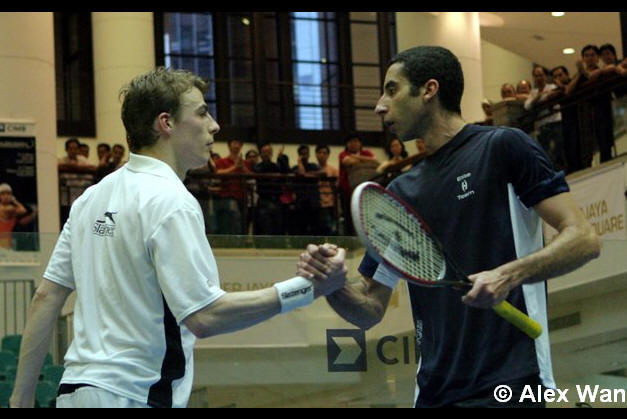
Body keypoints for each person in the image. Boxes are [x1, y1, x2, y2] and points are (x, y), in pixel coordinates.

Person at [9, 67, 347, 409]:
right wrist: (307, 289)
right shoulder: (171, 201)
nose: (214, 125)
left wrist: (20, 398)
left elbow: (46, 297)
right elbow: (206, 316)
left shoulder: (90, 199)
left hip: (73, 393)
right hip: (135, 395)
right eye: (202, 112)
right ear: (166, 123)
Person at [298, 46, 600, 408]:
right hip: (433, 395)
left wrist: (508, 275)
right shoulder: (400, 194)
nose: (379, 106)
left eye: (392, 90)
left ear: (429, 90)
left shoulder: (504, 148)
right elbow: (369, 308)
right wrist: (332, 284)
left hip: (512, 382)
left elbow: (584, 238)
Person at [566, 45, 616, 163]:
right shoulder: (578, 76)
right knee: (586, 142)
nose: (590, 58)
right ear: (583, 58)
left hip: (602, 109)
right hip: (585, 112)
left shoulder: (603, 70)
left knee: (604, 139)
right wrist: (580, 73)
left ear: (598, 58)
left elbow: (593, 76)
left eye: (592, 55)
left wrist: (583, 72)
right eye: (586, 55)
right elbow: (568, 90)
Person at [524, 66, 566, 172]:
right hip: (542, 125)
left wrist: (539, 100)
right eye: (536, 76)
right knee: (545, 152)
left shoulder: (552, 87)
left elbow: (553, 95)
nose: (539, 78)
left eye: (541, 75)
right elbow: (527, 106)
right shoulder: (533, 92)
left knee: (558, 148)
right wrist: (538, 97)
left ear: (545, 76)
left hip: (555, 121)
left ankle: (563, 169)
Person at [338, 133, 379, 235]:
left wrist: (356, 157)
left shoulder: (366, 152)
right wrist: (365, 160)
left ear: (360, 143)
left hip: (366, 190)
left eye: (356, 141)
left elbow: (375, 161)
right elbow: (348, 161)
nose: (354, 144)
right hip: (347, 191)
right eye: (351, 141)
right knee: (349, 217)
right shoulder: (343, 154)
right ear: (347, 144)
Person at [550, 66, 583, 174]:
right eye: (555, 77)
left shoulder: (575, 82)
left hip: (580, 118)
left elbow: (568, 91)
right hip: (566, 121)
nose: (558, 78)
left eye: (560, 75)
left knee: (579, 146)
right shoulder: (557, 90)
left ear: (567, 75)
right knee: (569, 147)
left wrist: (561, 86)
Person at [252, 141, 290, 235]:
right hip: (264, 200)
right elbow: (262, 170)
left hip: (277, 200)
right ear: (260, 154)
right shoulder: (257, 166)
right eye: (264, 152)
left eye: (269, 152)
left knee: (278, 227)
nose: (267, 154)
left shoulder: (276, 165)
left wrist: (281, 158)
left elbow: (285, 173)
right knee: (265, 227)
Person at [214, 138, 250, 235]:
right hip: (227, 196)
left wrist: (242, 167)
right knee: (229, 223)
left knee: (242, 223)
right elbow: (217, 173)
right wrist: (235, 167)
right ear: (229, 145)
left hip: (242, 197)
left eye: (239, 144)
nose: (237, 146)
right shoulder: (222, 161)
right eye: (234, 143)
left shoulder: (245, 162)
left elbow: (251, 176)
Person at [291, 145, 321, 236]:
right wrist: (299, 162)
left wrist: (309, 174)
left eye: (306, 153)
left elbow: (322, 173)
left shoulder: (313, 166)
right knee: (301, 228)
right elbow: (301, 173)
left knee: (315, 229)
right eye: (302, 154)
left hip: (313, 202)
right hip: (300, 202)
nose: (305, 156)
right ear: (299, 155)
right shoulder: (295, 168)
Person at [0, 183, 37, 249]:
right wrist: (14, 201)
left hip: (10, 245)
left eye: (8, 194)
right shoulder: (7, 209)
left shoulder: (12, 211)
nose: (6, 196)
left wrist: (14, 201)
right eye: (3, 194)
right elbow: (22, 210)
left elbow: (23, 211)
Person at [314, 144, 339, 236]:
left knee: (328, 229)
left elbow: (337, 186)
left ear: (328, 155)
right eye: (319, 152)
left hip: (329, 203)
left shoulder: (333, 170)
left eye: (324, 153)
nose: (322, 155)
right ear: (316, 154)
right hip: (315, 203)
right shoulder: (312, 168)